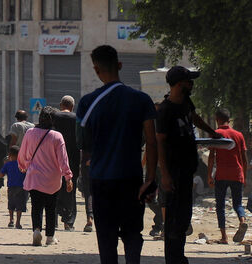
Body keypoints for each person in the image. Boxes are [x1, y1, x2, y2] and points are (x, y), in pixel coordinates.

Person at [76, 44, 158, 264]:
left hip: (101, 179)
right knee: (132, 233)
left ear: (96, 69)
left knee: (106, 237)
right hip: (132, 179)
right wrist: (150, 180)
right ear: (120, 65)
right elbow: (151, 142)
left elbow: (82, 142)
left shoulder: (87, 102)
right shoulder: (142, 100)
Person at [156, 65, 218, 263]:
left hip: (186, 172)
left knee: (183, 219)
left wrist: (211, 131)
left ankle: (179, 257)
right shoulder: (165, 110)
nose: (191, 85)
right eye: (188, 81)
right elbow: (160, 143)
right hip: (173, 174)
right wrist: (164, 175)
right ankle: (173, 259)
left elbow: (193, 117)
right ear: (179, 84)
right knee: (174, 221)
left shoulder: (185, 102)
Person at [19, 106, 74, 247]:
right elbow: (63, 159)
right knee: (51, 208)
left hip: (34, 177)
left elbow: (23, 153)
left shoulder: (30, 133)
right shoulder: (57, 136)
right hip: (52, 179)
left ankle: (37, 230)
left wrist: (23, 166)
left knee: (36, 206)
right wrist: (68, 177)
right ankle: (50, 237)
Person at [209, 107, 247, 244]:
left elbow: (211, 157)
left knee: (220, 206)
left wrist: (209, 175)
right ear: (229, 119)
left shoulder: (215, 133)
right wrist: (245, 175)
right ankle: (242, 221)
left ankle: (224, 237)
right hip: (237, 173)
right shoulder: (238, 135)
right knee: (238, 203)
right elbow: (244, 158)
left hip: (221, 174)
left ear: (217, 119)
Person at [52, 95, 81, 231]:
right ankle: (68, 222)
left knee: (54, 188)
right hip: (73, 160)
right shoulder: (77, 119)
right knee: (70, 190)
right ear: (72, 106)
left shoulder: (54, 117)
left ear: (61, 105)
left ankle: (54, 220)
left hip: (54, 159)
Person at [1, 146, 26, 229]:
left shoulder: (7, 164)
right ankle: (18, 222)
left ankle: (11, 219)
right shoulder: (23, 164)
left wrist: (5, 166)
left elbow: (0, 175)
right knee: (20, 205)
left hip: (11, 187)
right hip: (21, 187)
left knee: (11, 204)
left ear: (10, 155)